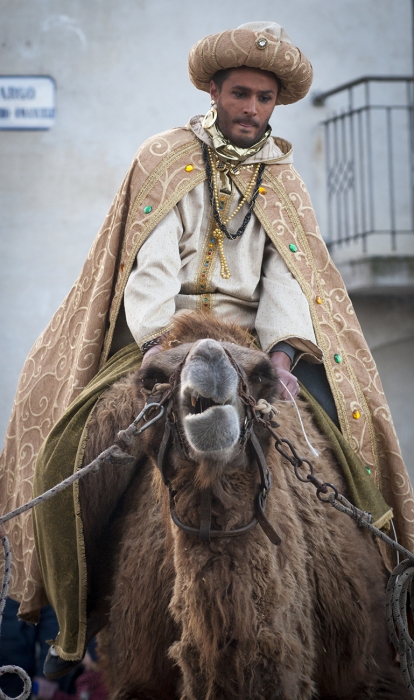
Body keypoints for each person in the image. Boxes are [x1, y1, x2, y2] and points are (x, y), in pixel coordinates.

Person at [0, 20, 412, 681]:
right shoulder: (165, 158)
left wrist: (281, 353)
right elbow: (152, 260)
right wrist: (163, 342)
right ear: (215, 91)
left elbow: (288, 272)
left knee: (355, 441)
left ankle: (386, 614)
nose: (252, 109)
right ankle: (56, 633)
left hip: (256, 346)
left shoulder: (284, 179)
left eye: (264, 99)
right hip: (165, 336)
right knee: (65, 457)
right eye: (241, 94)